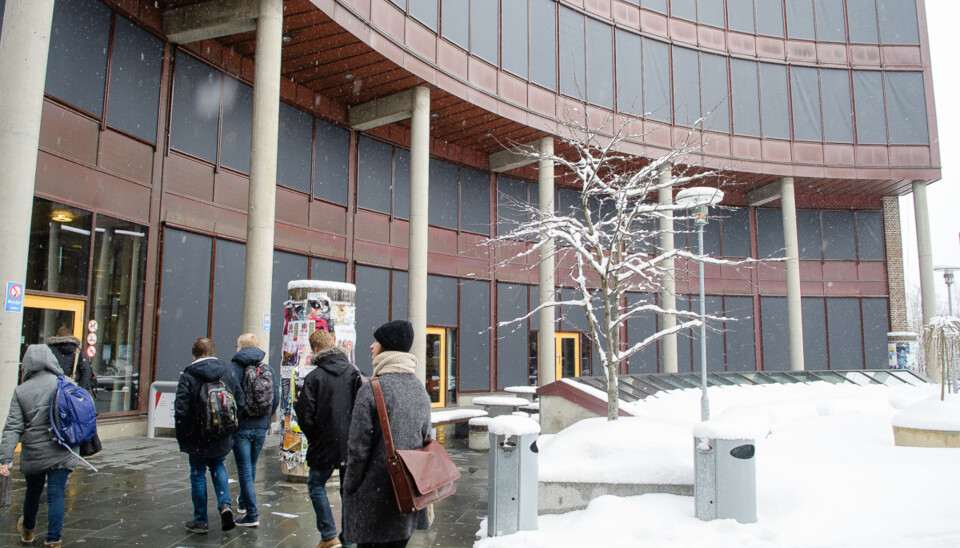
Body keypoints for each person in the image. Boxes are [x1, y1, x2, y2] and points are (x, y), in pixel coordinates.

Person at [342, 320, 431, 548]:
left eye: (376, 342)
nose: (371, 347)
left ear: (387, 347)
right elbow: (426, 442)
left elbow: (357, 450)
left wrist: (350, 487)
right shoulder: (419, 389)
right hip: (406, 497)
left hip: (374, 500)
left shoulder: (371, 389)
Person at [0, 345, 79, 548]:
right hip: (62, 448)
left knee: (33, 492)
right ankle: (53, 539)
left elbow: (13, 427)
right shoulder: (66, 383)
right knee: (56, 494)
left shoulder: (21, 390)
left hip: (34, 452)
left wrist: (5, 458)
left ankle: (27, 531)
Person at [294, 329, 362, 548]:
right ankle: (349, 539)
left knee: (316, 485)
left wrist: (316, 436)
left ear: (315, 350)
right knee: (348, 490)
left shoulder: (314, 377)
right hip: (351, 444)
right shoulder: (353, 373)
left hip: (324, 443)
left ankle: (329, 534)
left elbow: (305, 415)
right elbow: (362, 409)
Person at [174, 337, 243, 534]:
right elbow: (239, 400)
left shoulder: (188, 376)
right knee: (218, 466)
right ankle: (225, 505)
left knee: (197, 473)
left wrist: (183, 434)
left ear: (194, 354)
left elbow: (181, 410)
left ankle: (201, 520)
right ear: (213, 352)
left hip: (196, 434)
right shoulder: (227, 372)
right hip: (221, 432)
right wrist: (231, 427)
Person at [227, 333, 280, 528]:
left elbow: (229, 398)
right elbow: (275, 396)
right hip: (260, 427)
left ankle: (252, 513)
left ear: (240, 347)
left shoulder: (233, 368)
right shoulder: (266, 368)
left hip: (241, 427)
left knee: (244, 468)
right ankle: (243, 502)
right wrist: (265, 417)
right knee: (252, 464)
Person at [47, 326, 95, 393]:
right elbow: (87, 370)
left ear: (57, 336)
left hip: (52, 389)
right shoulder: (77, 351)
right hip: (71, 389)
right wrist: (79, 388)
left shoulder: (48, 350)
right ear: (71, 336)